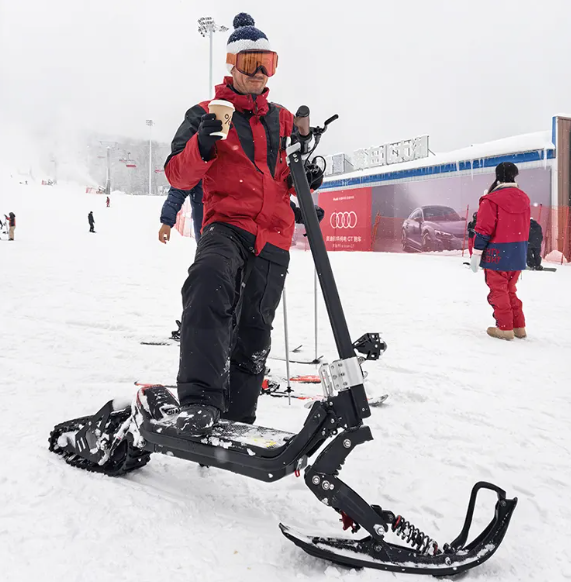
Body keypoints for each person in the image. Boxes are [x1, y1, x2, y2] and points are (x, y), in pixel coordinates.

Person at [163, 12, 324, 435]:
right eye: (251, 63)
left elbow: (286, 175)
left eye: (267, 63)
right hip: (227, 224)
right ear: (232, 64)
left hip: (273, 233)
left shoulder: (283, 118)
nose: (259, 73)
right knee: (208, 284)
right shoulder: (204, 113)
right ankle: (199, 400)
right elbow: (178, 175)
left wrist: (305, 175)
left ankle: (237, 415)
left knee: (254, 327)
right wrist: (204, 142)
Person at [470, 162, 530, 340]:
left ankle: (504, 328)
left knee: (498, 290)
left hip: (497, 253)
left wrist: (476, 253)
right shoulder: (524, 198)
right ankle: (519, 326)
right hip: (518, 252)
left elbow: (483, 229)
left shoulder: (491, 200)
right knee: (510, 290)